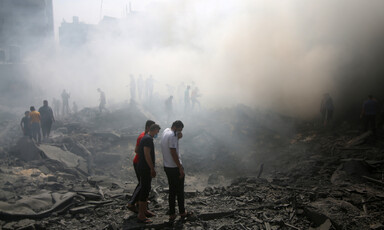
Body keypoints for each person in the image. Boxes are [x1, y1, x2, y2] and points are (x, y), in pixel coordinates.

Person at [161, 120, 193, 221]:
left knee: (172, 190)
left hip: (167, 166)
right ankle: (182, 212)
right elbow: (173, 152)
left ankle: (172, 213)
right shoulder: (173, 136)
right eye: (179, 130)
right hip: (174, 167)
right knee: (179, 191)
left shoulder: (166, 131)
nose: (180, 132)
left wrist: (177, 137)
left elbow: (170, 141)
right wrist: (179, 167)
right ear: (175, 127)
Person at [127, 120, 155, 214]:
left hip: (142, 163)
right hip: (139, 163)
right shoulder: (143, 137)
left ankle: (140, 205)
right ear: (148, 127)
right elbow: (136, 150)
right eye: (152, 128)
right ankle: (131, 203)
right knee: (142, 184)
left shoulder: (146, 136)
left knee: (143, 184)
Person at [137, 123, 161, 224]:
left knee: (146, 189)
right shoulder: (148, 139)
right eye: (157, 131)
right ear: (154, 129)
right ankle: (141, 215)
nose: (158, 133)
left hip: (144, 167)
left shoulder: (147, 138)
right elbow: (147, 155)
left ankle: (145, 210)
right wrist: (152, 168)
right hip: (145, 168)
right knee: (144, 189)